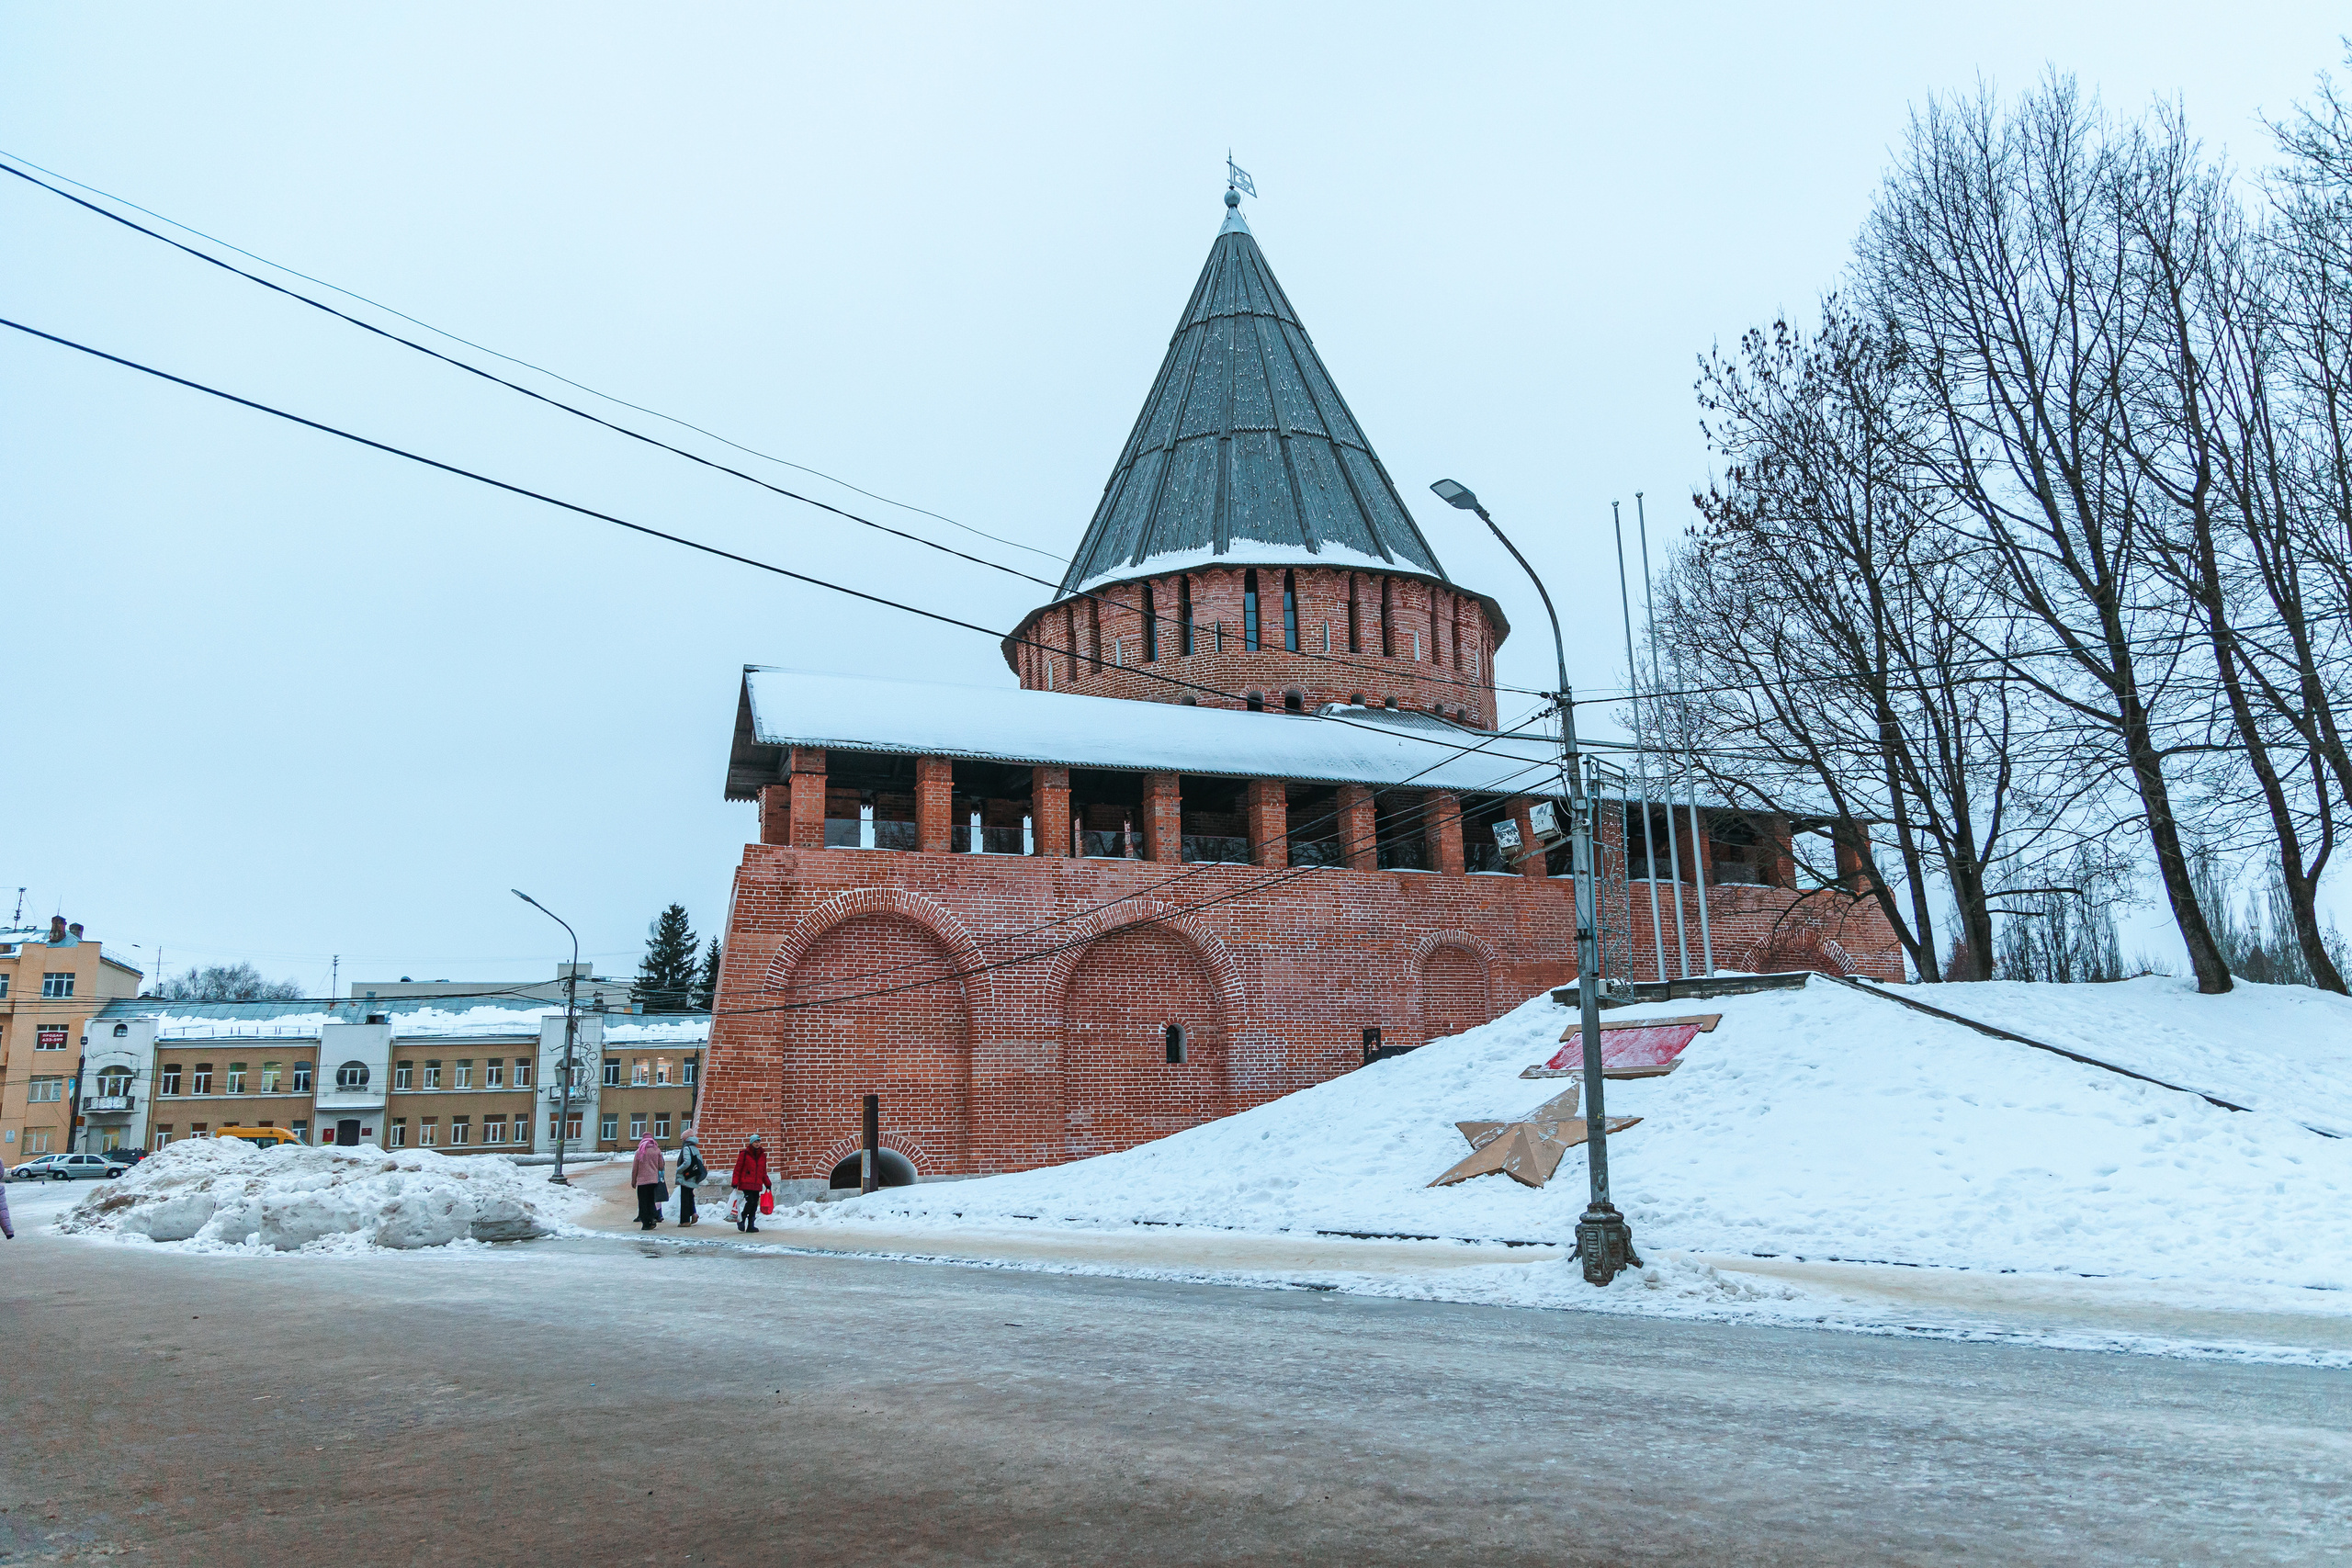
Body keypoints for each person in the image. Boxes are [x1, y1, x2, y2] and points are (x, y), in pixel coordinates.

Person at [730, 1132, 771, 1233]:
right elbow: (737, 1169)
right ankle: (742, 1218)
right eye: (756, 1142)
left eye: (759, 1142)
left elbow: (763, 1171)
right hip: (746, 1183)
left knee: (754, 1204)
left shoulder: (762, 1155)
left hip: (757, 1184)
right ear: (751, 1143)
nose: (758, 1144)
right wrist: (735, 1182)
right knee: (751, 1201)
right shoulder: (744, 1154)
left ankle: (751, 1225)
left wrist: (768, 1184)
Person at [631, 1135, 665, 1232]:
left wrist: (633, 1181)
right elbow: (661, 1166)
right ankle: (653, 1218)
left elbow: (635, 1169)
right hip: (653, 1181)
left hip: (642, 1182)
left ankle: (646, 1224)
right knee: (651, 1200)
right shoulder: (657, 1150)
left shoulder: (639, 1151)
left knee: (643, 1202)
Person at [674, 1133, 707, 1226]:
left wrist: (679, 1170)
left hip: (686, 1176)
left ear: (685, 1139)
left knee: (685, 1197)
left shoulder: (686, 1148)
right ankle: (693, 1214)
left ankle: (685, 1221)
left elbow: (687, 1162)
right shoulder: (695, 1148)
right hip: (693, 1175)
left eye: (682, 1139)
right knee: (690, 1195)